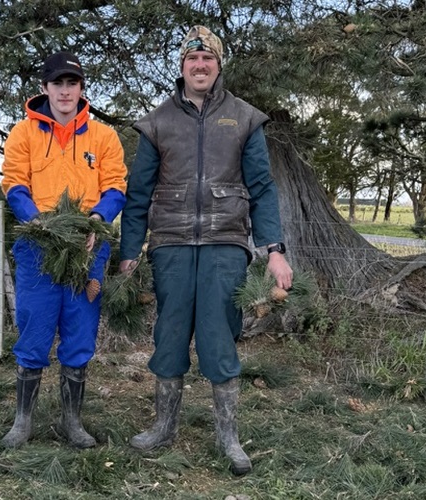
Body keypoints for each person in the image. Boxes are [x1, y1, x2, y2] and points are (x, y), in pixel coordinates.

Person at [119, 26, 293, 476]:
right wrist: (130, 250)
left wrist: (273, 249)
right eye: (192, 60)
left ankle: (228, 435)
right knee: (170, 337)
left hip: (225, 245)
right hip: (171, 245)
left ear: (218, 66)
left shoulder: (245, 118)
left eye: (208, 60)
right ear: (182, 66)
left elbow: (262, 188)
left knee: (219, 340)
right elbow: (138, 194)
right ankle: (163, 426)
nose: (200, 66)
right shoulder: (157, 122)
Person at [0, 51, 127, 449]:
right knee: (35, 329)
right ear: (45, 88)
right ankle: (23, 422)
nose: (66, 91)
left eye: (73, 83)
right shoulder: (23, 133)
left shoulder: (103, 136)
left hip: (88, 246)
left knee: (80, 331)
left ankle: (72, 422)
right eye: (58, 83)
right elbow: (14, 183)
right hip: (38, 245)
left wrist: (97, 220)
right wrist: (37, 221)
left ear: (81, 89)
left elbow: (116, 186)